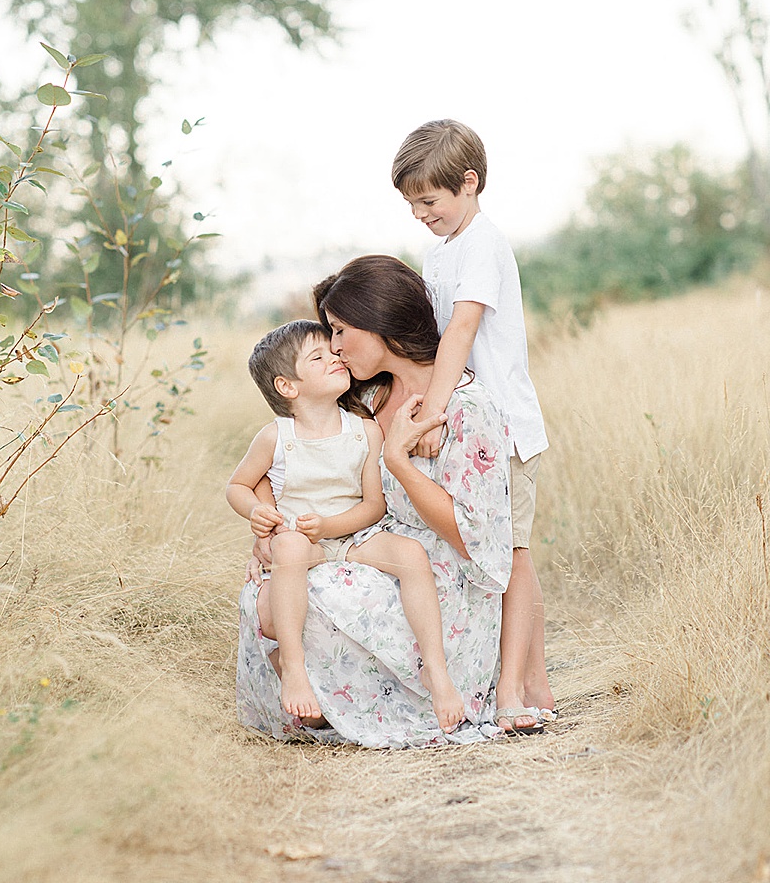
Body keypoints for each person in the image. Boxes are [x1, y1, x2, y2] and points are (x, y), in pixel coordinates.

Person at [236, 256, 513, 748]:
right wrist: (270, 525)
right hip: (365, 542)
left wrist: (399, 460)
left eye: (340, 331)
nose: (335, 349)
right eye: (327, 337)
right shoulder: (366, 395)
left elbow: (473, 540)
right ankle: (313, 694)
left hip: (440, 573)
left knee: (305, 600)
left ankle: (392, 691)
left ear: (378, 321)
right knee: (272, 592)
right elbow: (281, 462)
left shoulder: (467, 408)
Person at [391, 118, 556, 734]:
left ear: (469, 183)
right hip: (470, 430)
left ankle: (512, 691)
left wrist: (431, 413)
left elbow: (460, 330)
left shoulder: (484, 242)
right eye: (411, 205)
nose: (421, 214)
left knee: (510, 555)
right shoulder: (440, 251)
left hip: (504, 428)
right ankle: (531, 681)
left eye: (429, 201)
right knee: (500, 556)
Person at [226, 319, 465, 733]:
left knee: (411, 554)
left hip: (353, 535)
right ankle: (295, 666)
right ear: (288, 387)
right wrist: (254, 511)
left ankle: (436, 670)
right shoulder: (275, 437)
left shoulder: (365, 430)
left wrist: (332, 524)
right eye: (317, 358)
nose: (335, 357)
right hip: (303, 539)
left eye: (333, 351)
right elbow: (238, 485)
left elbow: (373, 506)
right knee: (289, 549)